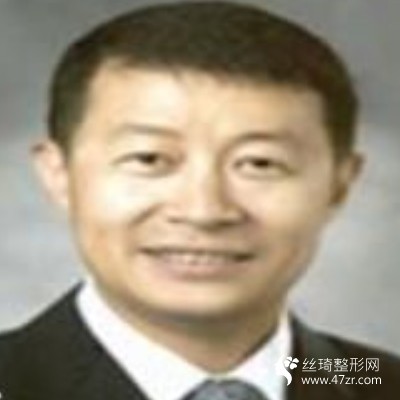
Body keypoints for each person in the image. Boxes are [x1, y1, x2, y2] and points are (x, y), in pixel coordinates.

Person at [0, 1, 398, 399]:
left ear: (339, 186)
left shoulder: (374, 380)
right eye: (149, 159)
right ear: (59, 175)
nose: (204, 211)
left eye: (259, 163)